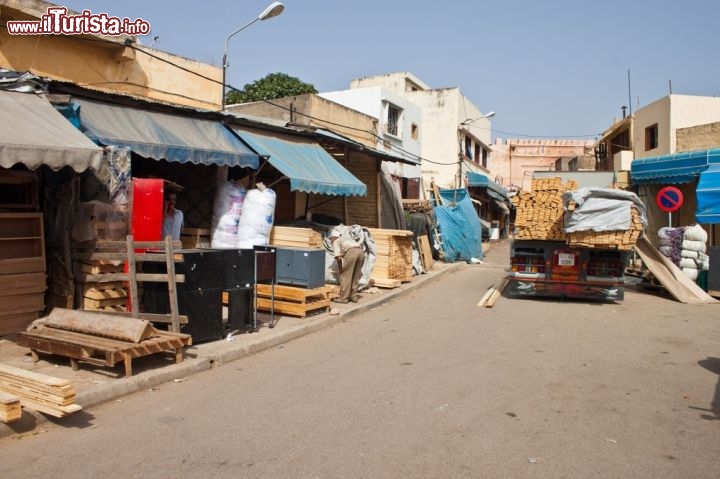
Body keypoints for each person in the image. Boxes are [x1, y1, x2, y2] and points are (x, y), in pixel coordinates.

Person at [330, 234, 365, 303]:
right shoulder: (346, 238)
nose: (331, 242)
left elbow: (338, 258)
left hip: (352, 252)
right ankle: (353, 296)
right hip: (361, 253)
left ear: (333, 238)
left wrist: (341, 269)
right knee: (356, 275)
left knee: (345, 275)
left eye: (331, 240)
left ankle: (344, 298)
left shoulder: (336, 241)